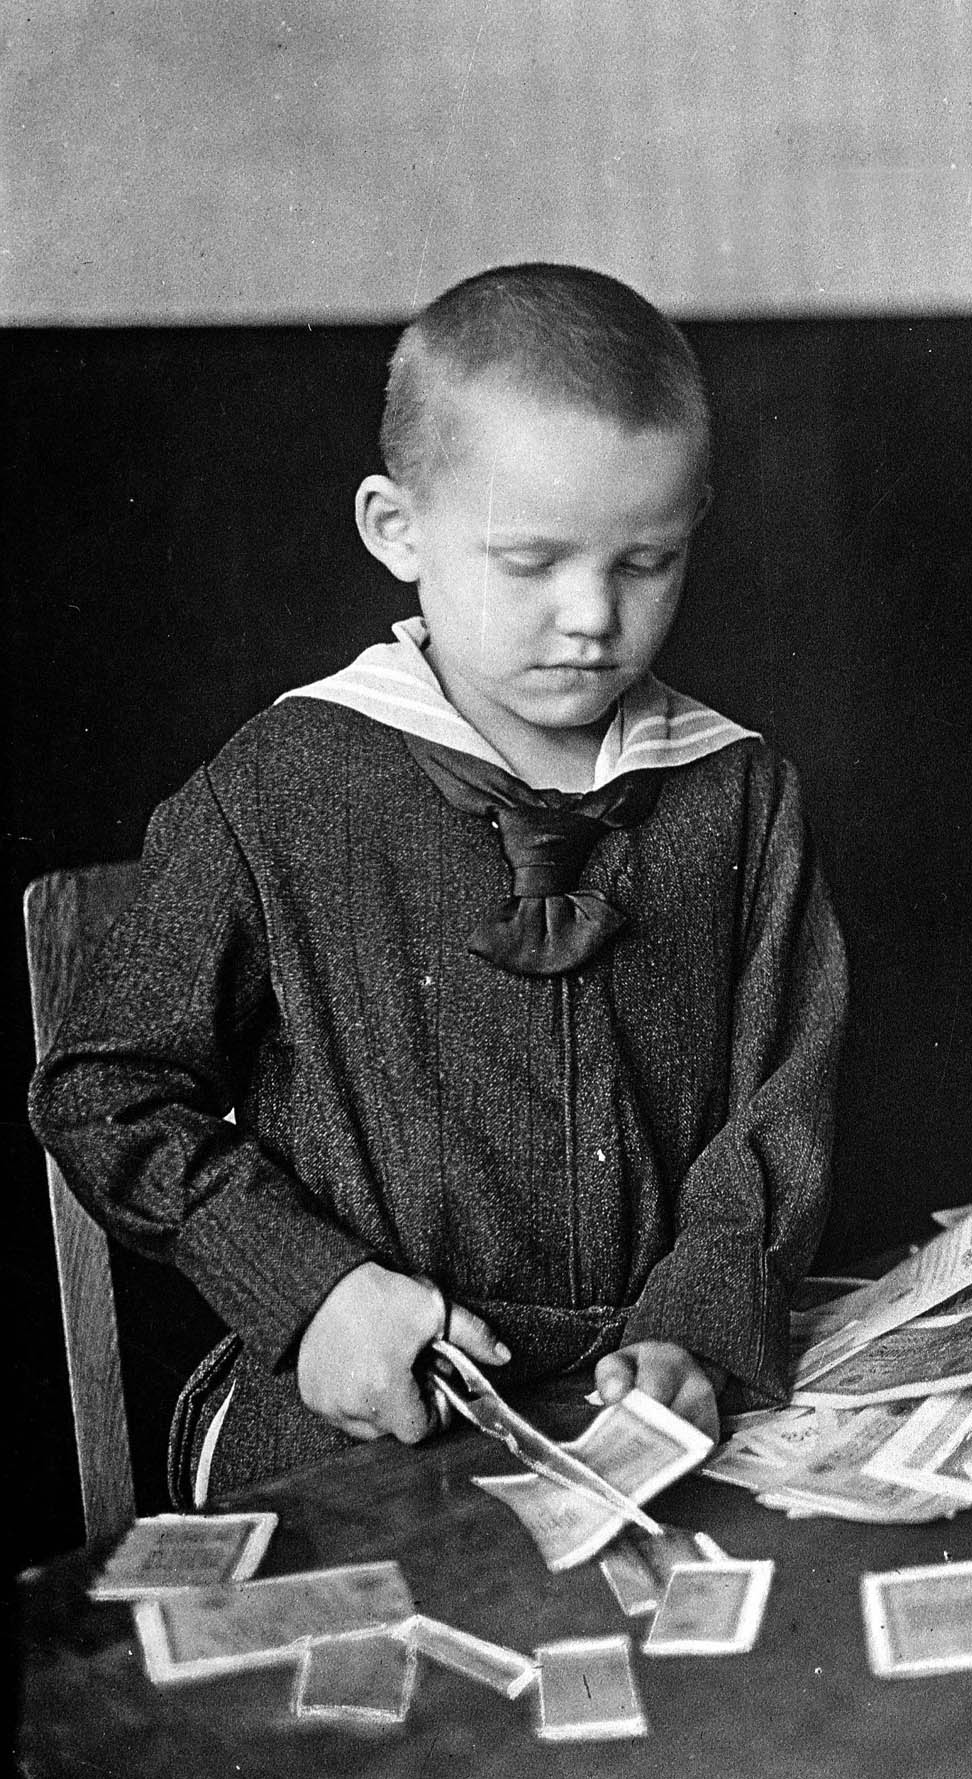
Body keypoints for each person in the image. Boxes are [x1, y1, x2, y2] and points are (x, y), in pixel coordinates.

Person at [29, 263, 844, 1499]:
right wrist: (310, 1292)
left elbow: (778, 1099)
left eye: (648, 560)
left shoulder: (739, 791)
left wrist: (698, 1318)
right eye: (530, 562)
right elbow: (106, 1090)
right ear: (393, 528)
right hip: (364, 1400)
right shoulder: (284, 781)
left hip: (652, 1381)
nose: (591, 616)